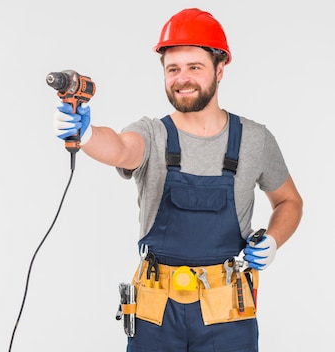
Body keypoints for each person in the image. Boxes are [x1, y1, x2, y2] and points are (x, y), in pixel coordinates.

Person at [52, 8, 303, 352]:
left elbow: (290, 201)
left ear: (220, 68)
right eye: (173, 69)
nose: (182, 78)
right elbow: (122, 149)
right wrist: (87, 133)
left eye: (194, 67)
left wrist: (273, 240)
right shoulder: (152, 134)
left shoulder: (254, 139)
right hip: (156, 313)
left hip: (227, 310)